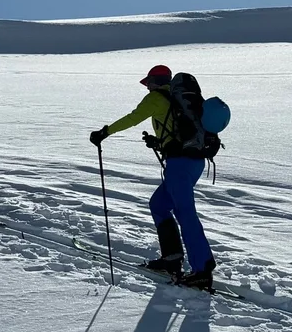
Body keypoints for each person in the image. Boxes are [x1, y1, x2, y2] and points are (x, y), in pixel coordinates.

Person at [89, 65, 217, 291]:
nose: (147, 87)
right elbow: (177, 133)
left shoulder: (156, 99)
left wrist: (105, 132)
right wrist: (159, 143)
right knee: (159, 204)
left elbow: (132, 118)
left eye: (148, 83)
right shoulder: (176, 100)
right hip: (193, 162)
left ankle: (202, 270)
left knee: (185, 213)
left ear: (155, 82)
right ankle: (172, 257)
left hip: (179, 165)